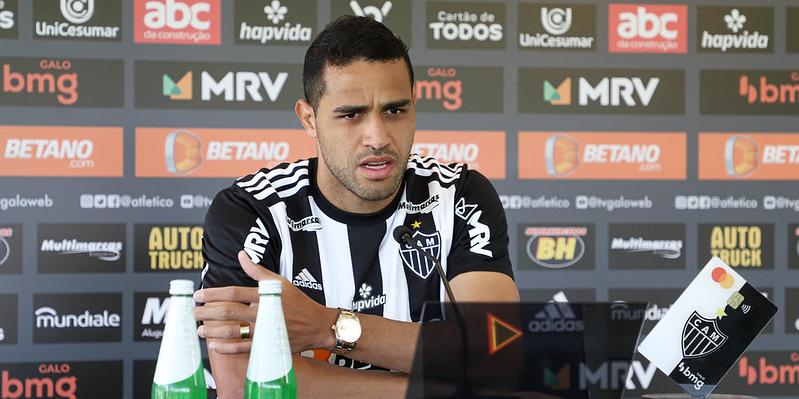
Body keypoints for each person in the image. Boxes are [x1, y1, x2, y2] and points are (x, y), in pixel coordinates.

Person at [194, 15, 519, 398]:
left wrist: (328, 326)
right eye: (351, 114)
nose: (378, 137)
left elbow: (497, 354)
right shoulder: (252, 208)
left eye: (395, 111)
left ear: (415, 105)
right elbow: (243, 382)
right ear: (309, 119)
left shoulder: (460, 194)